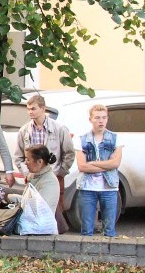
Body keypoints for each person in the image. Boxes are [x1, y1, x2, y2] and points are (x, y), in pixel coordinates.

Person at [13, 94, 76, 218]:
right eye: (28, 109)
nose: (30, 112)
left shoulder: (59, 128)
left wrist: (60, 172)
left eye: (33, 108)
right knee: (32, 208)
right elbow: (18, 156)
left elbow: (69, 153)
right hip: (33, 177)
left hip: (53, 175)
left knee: (55, 211)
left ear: (43, 109)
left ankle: (54, 229)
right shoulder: (24, 130)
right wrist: (27, 173)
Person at [76, 104, 122, 237]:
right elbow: (82, 166)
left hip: (109, 187)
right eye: (97, 118)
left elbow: (116, 163)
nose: (101, 121)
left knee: (109, 229)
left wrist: (93, 163)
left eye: (104, 117)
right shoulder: (82, 139)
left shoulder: (115, 138)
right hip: (87, 187)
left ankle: (108, 250)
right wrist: (107, 164)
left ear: (107, 119)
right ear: (90, 119)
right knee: (86, 229)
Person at [7, 144, 61, 211]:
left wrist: (14, 198)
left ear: (40, 162)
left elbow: (38, 208)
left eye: (28, 159)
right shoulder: (34, 175)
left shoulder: (49, 182)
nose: (25, 163)